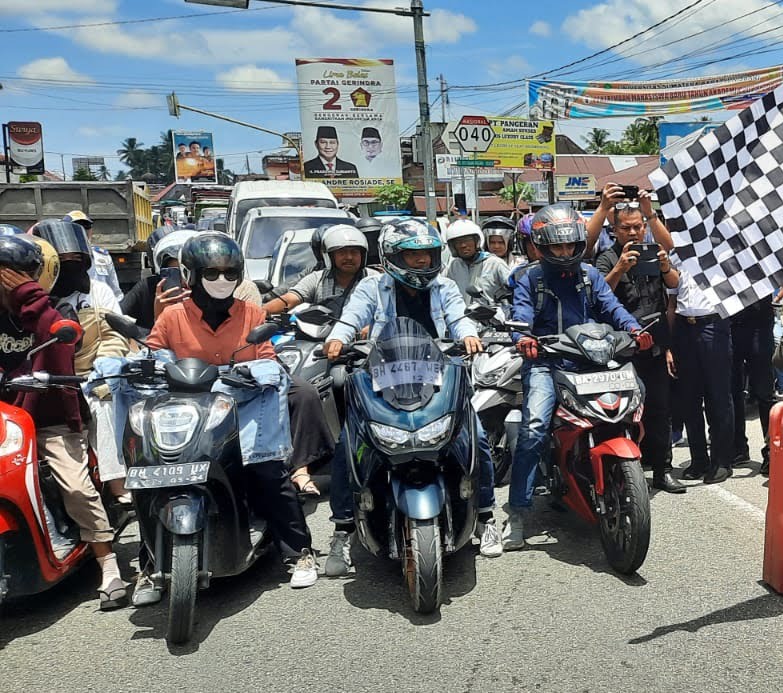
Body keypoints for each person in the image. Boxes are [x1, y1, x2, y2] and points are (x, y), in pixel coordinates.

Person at [137, 232, 319, 599]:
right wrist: (139, 366)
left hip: (242, 408)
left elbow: (267, 357)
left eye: (229, 273)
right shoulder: (172, 316)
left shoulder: (252, 312)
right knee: (151, 477)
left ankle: (299, 552)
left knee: (268, 471)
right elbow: (152, 355)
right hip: (187, 411)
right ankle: (148, 566)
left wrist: (253, 371)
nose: (221, 281)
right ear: (191, 274)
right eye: (212, 273)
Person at [322, 219, 503, 576]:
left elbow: (459, 317)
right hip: (382, 376)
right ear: (391, 257)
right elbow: (350, 319)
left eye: (427, 255)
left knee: (476, 439)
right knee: (349, 445)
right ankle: (342, 530)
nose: (422, 262)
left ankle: (484, 515)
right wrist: (338, 339)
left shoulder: (445, 286)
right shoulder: (372, 287)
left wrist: (468, 336)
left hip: (437, 375)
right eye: (413, 256)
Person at [505, 204, 650, 549]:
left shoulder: (589, 274)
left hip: (590, 360)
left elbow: (610, 306)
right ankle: (517, 514)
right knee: (535, 426)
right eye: (557, 247)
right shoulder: (530, 279)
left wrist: (633, 327)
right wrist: (523, 338)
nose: (565, 252)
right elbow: (520, 314)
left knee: (636, 399)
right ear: (542, 247)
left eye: (570, 245)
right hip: (546, 361)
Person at [0, 234, 128, 610]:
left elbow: (59, 348)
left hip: (49, 418)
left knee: (73, 483)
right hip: (8, 420)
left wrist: (26, 294)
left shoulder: (51, 314)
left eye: (13, 274)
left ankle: (109, 564)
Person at [264, 225, 379, 496]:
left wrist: (369, 327)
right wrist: (257, 312)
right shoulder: (317, 278)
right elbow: (290, 299)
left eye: (354, 252)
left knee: (348, 386)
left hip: (365, 350)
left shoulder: (374, 279)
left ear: (363, 254)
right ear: (330, 255)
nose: (348, 257)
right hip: (322, 346)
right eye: (342, 253)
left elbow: (385, 310)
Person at [32, 220, 131, 504]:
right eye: (63, 261)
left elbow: (115, 335)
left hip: (91, 373)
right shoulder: (34, 299)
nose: (70, 266)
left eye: (76, 260)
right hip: (44, 377)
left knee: (104, 402)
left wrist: (106, 364)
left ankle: (117, 483)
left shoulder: (98, 292)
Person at [596, 202, 685, 493]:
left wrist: (665, 266)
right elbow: (597, 297)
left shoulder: (653, 252)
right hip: (619, 351)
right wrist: (620, 267)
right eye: (626, 228)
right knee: (619, 413)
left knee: (659, 410)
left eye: (638, 226)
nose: (633, 232)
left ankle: (662, 471)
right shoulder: (607, 258)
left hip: (655, 346)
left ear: (645, 228)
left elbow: (674, 285)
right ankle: (621, 473)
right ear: (615, 230)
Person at [655, 224, 735, 485]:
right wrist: (668, 343)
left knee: (718, 397)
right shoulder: (679, 256)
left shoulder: (723, 254)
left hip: (713, 325)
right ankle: (699, 459)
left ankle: (722, 461)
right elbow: (672, 302)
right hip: (684, 329)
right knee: (689, 398)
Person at [730, 297, 776, 474]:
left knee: (765, 392)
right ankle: (738, 448)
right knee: (733, 390)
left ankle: (771, 452)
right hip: (731, 320)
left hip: (760, 322)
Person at [444, 219, 511, 304]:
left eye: (467, 240)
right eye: (458, 242)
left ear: (477, 241)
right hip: (460, 316)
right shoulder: (453, 266)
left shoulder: (494, 264)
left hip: (492, 315)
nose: (463, 245)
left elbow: (513, 289)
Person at [63, 210, 123, 302]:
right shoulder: (59, 258)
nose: (83, 230)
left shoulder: (103, 257)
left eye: (86, 226)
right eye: (77, 227)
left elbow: (115, 292)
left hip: (101, 310)